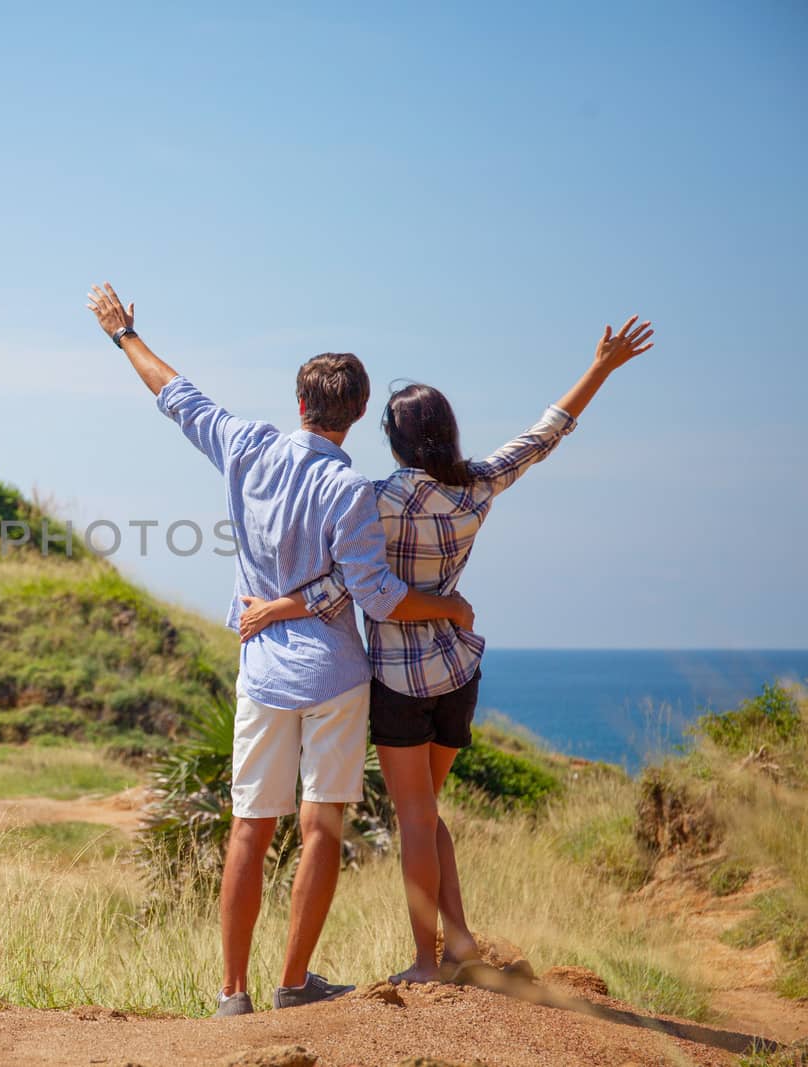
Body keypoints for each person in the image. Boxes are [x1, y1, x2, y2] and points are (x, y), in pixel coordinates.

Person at [85, 283, 475, 1015]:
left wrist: (123, 335)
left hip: (262, 671)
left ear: (299, 403)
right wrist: (449, 604)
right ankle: (293, 981)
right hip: (333, 675)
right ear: (357, 414)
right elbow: (379, 596)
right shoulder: (351, 488)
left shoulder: (246, 446)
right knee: (320, 824)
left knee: (249, 828)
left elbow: (174, 393)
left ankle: (232, 991)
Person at [240, 316, 656, 985]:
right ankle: (459, 940)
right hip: (459, 668)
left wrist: (278, 607)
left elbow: (344, 583)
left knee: (413, 818)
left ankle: (425, 962)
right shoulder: (477, 488)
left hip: (402, 680)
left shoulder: (370, 500)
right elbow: (545, 433)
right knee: (428, 812)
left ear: (395, 439)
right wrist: (601, 367)